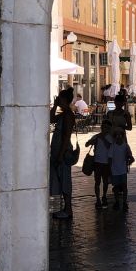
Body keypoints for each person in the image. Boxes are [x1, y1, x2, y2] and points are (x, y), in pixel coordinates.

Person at [49, 87, 76, 219]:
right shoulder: (62, 114)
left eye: (60, 98)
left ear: (64, 99)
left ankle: (68, 209)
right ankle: (60, 208)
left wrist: (60, 154)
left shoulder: (68, 115)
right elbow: (51, 118)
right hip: (57, 150)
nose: (58, 100)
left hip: (63, 152)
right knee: (57, 179)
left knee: (65, 179)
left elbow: (66, 137)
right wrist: (54, 106)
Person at [85, 119, 113, 209]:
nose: (104, 129)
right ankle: (98, 198)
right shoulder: (96, 137)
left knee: (105, 181)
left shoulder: (110, 137)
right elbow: (86, 144)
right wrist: (90, 142)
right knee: (97, 182)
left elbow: (110, 146)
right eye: (103, 127)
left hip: (106, 163)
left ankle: (104, 195)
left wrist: (103, 138)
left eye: (106, 127)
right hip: (97, 162)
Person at [108, 128, 135, 211]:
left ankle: (124, 202)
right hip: (115, 170)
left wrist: (128, 162)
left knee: (124, 186)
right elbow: (110, 158)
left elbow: (131, 157)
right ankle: (117, 202)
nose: (119, 137)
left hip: (123, 170)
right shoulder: (112, 146)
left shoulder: (126, 146)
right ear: (115, 137)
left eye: (120, 135)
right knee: (116, 187)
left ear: (123, 137)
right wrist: (110, 170)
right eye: (117, 135)